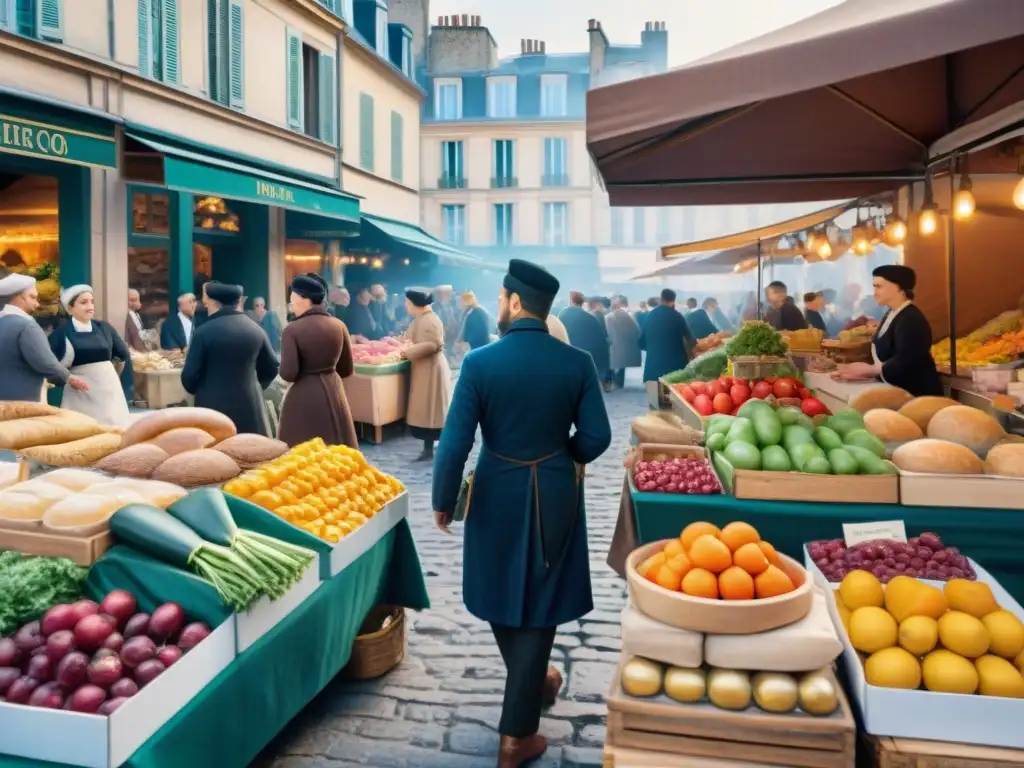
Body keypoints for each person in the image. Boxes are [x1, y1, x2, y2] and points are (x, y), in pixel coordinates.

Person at [432, 259, 612, 768]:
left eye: (501, 299)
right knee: (543, 589)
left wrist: (444, 500)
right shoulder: (576, 362)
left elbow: (454, 443)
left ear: (513, 302)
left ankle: (517, 735)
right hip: (554, 488)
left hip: (495, 488)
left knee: (500, 584)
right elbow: (598, 437)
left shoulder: (480, 363)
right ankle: (538, 681)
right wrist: (563, 457)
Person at [180, 282, 280, 435]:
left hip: (213, 410)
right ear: (237, 302)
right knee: (253, 455)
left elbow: (189, 377)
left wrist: (202, 390)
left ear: (213, 303)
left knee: (217, 455)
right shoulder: (256, 329)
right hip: (250, 409)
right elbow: (272, 367)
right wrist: (252, 386)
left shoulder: (203, 332)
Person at [832, 265, 942, 396]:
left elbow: (908, 360)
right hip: (899, 392)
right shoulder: (891, 313)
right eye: (874, 286)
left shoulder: (911, 318)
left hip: (918, 396)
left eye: (879, 286)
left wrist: (871, 370)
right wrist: (868, 375)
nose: (874, 292)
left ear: (899, 287)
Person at [277, 274, 358, 448]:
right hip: (334, 390)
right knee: (338, 449)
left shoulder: (292, 329)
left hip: (304, 397)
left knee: (304, 454)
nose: (291, 304)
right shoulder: (338, 325)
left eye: (292, 298)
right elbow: (347, 370)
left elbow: (288, 373)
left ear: (304, 299)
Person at [48, 285, 133, 426]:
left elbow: (122, 353)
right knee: (82, 430)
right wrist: (68, 379)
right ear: (70, 308)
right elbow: (50, 365)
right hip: (79, 392)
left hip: (108, 390)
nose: (90, 306)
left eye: (92, 301)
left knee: (113, 429)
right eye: (83, 302)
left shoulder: (104, 328)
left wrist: (111, 373)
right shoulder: (60, 334)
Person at [0, 273, 85, 402]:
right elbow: (45, 363)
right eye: (32, 297)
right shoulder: (26, 326)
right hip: (24, 399)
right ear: (19, 297)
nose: (37, 304)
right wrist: (69, 378)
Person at [401, 288, 453, 461]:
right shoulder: (423, 319)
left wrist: (407, 352)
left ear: (415, 304)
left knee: (431, 411)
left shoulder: (429, 320)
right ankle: (430, 448)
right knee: (430, 411)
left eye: (407, 302)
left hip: (431, 370)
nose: (406, 306)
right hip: (426, 368)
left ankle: (431, 448)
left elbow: (432, 344)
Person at [641, 289, 693, 383]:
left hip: (653, 368)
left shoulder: (650, 316)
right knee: (672, 395)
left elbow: (641, 341)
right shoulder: (678, 316)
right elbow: (690, 340)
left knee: (655, 395)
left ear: (661, 299)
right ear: (673, 301)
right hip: (675, 369)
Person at [558, 292, 609, 382]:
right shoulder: (590, 318)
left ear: (571, 301)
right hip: (585, 353)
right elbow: (600, 339)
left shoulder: (562, 315)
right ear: (582, 303)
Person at [605, 296, 641, 390]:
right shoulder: (627, 315)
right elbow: (636, 330)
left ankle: (612, 382)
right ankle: (618, 383)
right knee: (620, 366)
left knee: (612, 364)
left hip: (611, 345)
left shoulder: (608, 317)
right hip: (622, 345)